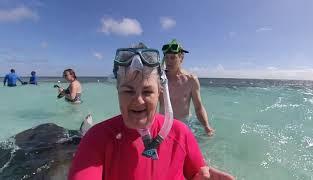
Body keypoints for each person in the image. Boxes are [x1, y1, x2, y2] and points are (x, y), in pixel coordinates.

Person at [68, 43, 234, 180]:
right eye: (128, 91)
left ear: (160, 92)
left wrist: (206, 127)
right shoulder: (96, 139)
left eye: (147, 92)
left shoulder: (181, 134)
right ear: (117, 90)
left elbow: (198, 106)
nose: (138, 100)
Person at [159, 39, 214, 136]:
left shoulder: (191, 80)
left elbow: (198, 107)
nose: (168, 61)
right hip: (164, 124)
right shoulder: (159, 79)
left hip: (184, 124)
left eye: (173, 57)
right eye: (166, 57)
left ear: (181, 58)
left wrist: (206, 125)